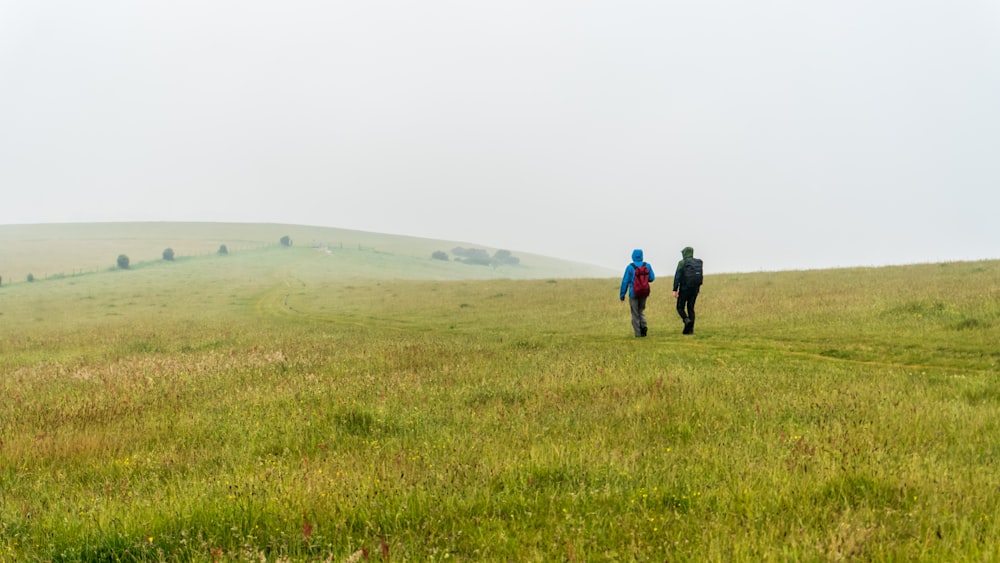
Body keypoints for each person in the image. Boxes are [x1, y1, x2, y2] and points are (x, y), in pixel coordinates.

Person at [619, 249, 655, 337]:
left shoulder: (630, 267)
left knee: (635, 313)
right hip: (644, 293)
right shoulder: (647, 266)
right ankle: (644, 326)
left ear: (633, 256)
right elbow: (652, 278)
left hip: (633, 293)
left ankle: (638, 333)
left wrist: (622, 294)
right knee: (641, 311)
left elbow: (625, 282)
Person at [672, 246, 703, 335]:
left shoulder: (682, 263)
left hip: (684, 289)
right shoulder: (698, 262)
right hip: (695, 289)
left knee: (680, 307)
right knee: (690, 308)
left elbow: (677, 276)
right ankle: (690, 330)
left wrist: (675, 289)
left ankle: (686, 320)